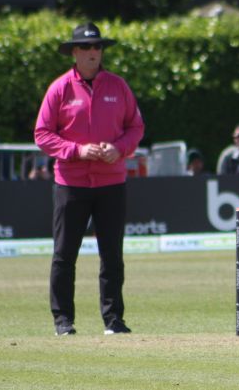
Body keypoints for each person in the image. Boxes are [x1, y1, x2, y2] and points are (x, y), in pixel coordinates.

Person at [34, 22, 145, 336]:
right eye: (85, 46)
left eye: (97, 46)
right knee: (64, 254)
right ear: (74, 52)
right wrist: (77, 151)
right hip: (71, 184)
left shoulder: (118, 86)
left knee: (112, 255)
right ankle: (63, 321)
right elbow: (42, 134)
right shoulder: (59, 88)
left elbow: (136, 127)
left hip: (111, 182)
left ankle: (114, 320)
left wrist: (119, 149)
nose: (93, 51)